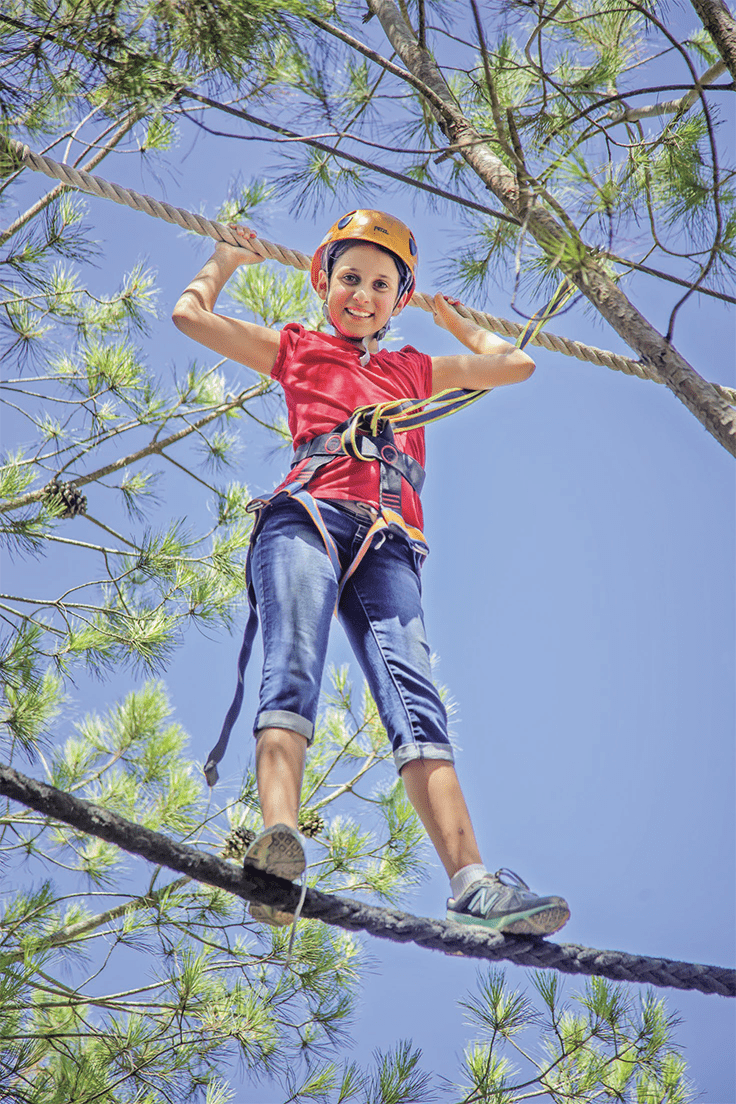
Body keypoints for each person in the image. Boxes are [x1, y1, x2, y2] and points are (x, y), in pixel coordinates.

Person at [172, 209, 570, 935]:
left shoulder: (413, 369)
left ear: (398, 300)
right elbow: (189, 316)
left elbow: (516, 365)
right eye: (350, 278)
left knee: (417, 700)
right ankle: (278, 845)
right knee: (293, 664)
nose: (362, 294)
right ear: (323, 282)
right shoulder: (297, 348)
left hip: (390, 539)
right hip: (310, 516)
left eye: (381, 285)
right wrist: (225, 259)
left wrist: (455, 324)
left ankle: (471, 883)